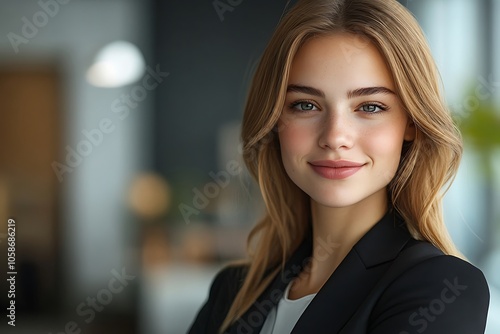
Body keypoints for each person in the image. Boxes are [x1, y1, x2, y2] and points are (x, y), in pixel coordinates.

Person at [189, 0, 490, 333]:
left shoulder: (440, 288)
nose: (335, 137)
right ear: (274, 120)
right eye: (305, 105)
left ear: (411, 123)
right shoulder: (232, 292)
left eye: (370, 107)